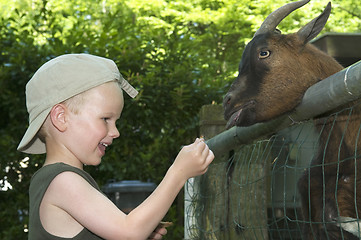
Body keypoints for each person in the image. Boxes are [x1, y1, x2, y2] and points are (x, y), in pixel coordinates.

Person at [17, 53, 214, 240]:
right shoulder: (62, 180)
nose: (115, 132)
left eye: (115, 121)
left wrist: (143, 228)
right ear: (61, 118)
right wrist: (178, 173)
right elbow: (128, 233)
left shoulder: (55, 179)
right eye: (105, 119)